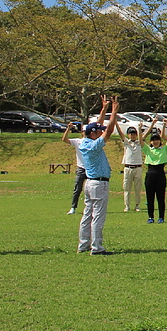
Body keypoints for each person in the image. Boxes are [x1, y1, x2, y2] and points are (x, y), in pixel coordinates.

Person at [77, 95, 119, 255]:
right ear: (94, 134)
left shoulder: (84, 142)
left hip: (89, 183)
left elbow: (97, 126)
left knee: (87, 215)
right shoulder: (94, 146)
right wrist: (114, 112)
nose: (100, 132)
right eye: (98, 132)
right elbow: (108, 130)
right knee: (98, 217)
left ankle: (83, 245)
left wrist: (104, 109)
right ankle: (97, 248)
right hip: (99, 184)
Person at [62, 97, 107, 214]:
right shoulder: (79, 142)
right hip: (82, 168)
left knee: (91, 190)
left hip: (91, 169)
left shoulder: (92, 141)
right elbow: (64, 139)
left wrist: (104, 108)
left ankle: (90, 208)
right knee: (78, 189)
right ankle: (74, 207)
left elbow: (99, 124)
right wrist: (68, 129)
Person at [142, 121, 167, 223]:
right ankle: (150, 217)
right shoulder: (148, 150)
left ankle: (161, 217)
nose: (155, 142)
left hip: (160, 173)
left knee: (160, 197)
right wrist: (140, 128)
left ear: (160, 141)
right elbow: (141, 140)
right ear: (151, 142)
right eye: (153, 140)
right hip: (150, 173)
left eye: (157, 140)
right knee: (150, 197)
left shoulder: (164, 149)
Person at [114, 120, 144, 212]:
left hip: (138, 167)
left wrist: (139, 128)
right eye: (131, 134)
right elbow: (120, 133)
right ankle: (127, 205)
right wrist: (115, 123)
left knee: (137, 188)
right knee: (127, 187)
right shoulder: (126, 142)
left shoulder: (139, 143)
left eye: (134, 134)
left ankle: (137, 205)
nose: (133, 135)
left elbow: (144, 136)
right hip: (128, 168)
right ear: (128, 135)